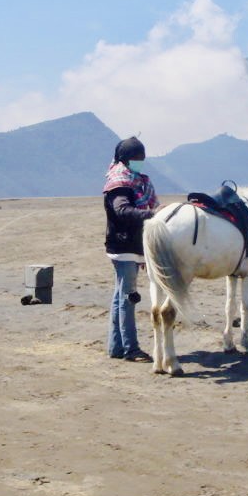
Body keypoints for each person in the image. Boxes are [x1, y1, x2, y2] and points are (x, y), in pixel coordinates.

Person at [102, 136, 159, 360]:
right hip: (123, 244)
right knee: (129, 297)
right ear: (126, 159)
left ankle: (116, 347)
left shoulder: (135, 179)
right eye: (137, 158)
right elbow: (122, 211)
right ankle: (131, 349)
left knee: (120, 296)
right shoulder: (120, 181)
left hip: (129, 245)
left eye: (142, 158)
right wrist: (153, 214)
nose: (140, 162)